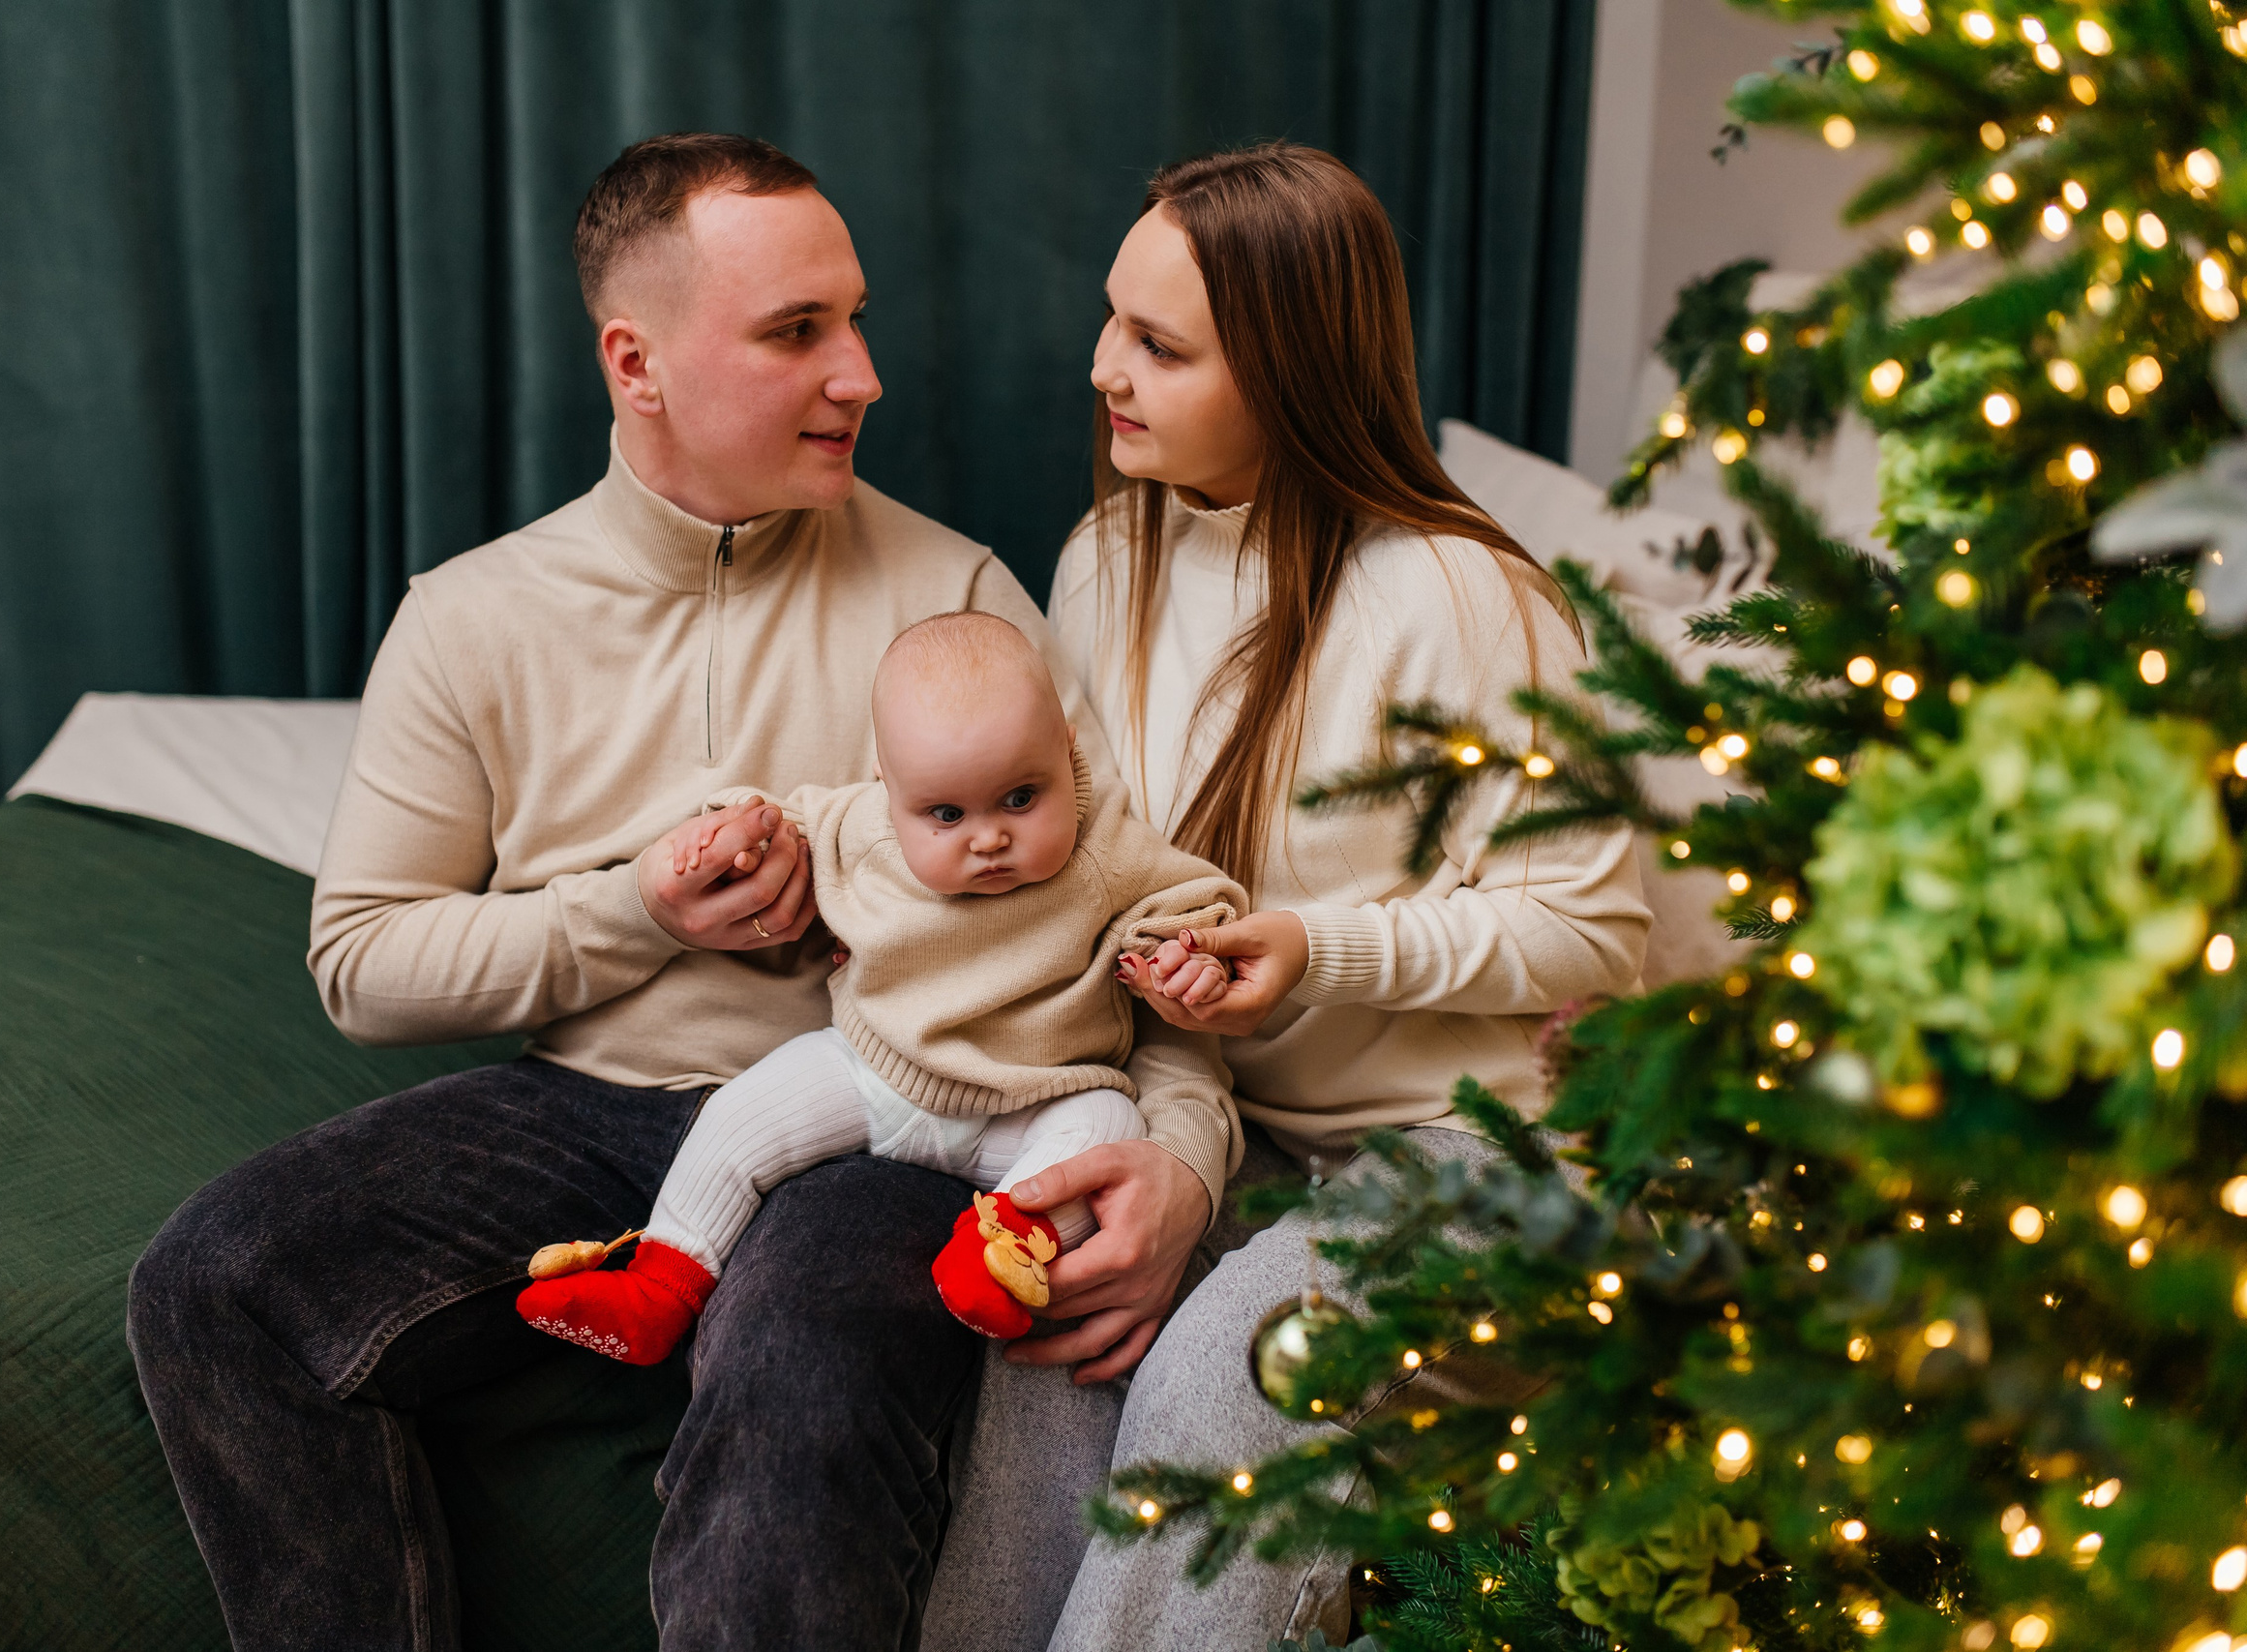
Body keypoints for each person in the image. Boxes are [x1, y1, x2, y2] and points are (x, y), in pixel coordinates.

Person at [124, 132, 1232, 1652]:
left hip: (885, 1120)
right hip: (589, 1101)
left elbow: (1140, 926)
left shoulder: (962, 602)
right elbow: (362, 963)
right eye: (797, 333)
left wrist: (1183, 1155)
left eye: (854, 319)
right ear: (635, 362)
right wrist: (634, 911)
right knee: (215, 1281)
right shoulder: (470, 621)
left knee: (797, 1353)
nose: (862, 375)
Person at [919, 143, 1651, 1651]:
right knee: (1053, 1313)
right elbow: (1098, 900)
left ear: (1292, 370)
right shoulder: (1104, 561)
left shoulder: (1465, 595)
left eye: (1162, 345)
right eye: (1114, 320)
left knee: (1220, 1370)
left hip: (1478, 1154)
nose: (1105, 368)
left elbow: (1594, 923)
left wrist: (1322, 950)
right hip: (1231, 1133)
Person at [514, 612, 1242, 1360]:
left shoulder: (1108, 844)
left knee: (1111, 1124)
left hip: (1034, 1100)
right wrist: (729, 833)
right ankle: (657, 1286)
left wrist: (1188, 960)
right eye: (947, 814)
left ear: (1069, 750)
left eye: (1022, 798)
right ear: (887, 787)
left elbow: (1191, 902)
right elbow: (775, 825)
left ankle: (999, 1255)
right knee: (735, 1119)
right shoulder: (861, 827)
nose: (988, 838)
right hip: (869, 1077)